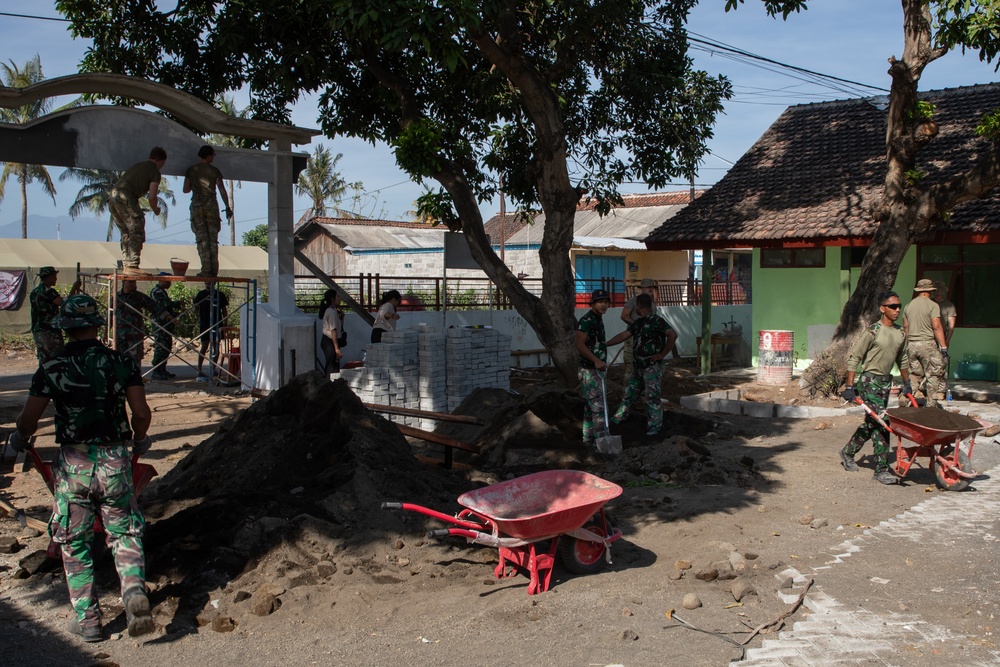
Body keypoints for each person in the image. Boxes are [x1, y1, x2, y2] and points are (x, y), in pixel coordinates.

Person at [9, 293, 156, 642]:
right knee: (123, 532)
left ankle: (88, 619)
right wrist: (138, 439)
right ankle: (134, 590)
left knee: (73, 540)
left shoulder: (52, 367)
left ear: (66, 328)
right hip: (115, 460)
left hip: (74, 463)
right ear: (95, 326)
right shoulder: (122, 362)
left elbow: (29, 419)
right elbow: (141, 412)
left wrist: (20, 437)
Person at [840, 290, 912, 485]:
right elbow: (855, 357)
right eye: (893, 306)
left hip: (886, 383)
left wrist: (907, 384)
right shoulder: (873, 331)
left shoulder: (900, 333)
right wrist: (849, 385)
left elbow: (902, 359)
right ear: (882, 309)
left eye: (899, 306)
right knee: (882, 422)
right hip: (869, 381)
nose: (898, 310)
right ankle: (881, 469)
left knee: (872, 423)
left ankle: (848, 452)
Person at [607, 293, 677, 436]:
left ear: (638, 306)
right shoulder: (638, 323)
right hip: (638, 366)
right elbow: (623, 336)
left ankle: (655, 427)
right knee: (630, 394)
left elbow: (673, 335)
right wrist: (605, 344)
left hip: (651, 366)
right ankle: (619, 417)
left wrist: (662, 354)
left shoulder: (658, 321)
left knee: (652, 396)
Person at [109, 147, 167, 276]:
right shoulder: (154, 172)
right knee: (137, 228)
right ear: (161, 161)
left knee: (126, 231)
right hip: (126, 196)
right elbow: (152, 197)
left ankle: (126, 265)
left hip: (113, 196)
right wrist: (156, 209)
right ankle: (133, 265)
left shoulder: (138, 166)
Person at [183, 145, 231, 278]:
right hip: (211, 204)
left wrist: (195, 186)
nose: (213, 157)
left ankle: (205, 269)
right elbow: (222, 190)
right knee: (212, 238)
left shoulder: (191, 170)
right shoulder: (214, 171)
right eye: (213, 155)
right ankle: (213, 270)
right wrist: (227, 207)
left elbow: (185, 189)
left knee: (202, 238)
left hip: (197, 204)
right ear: (209, 155)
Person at [902, 278, 948, 408]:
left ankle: (905, 399)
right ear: (930, 291)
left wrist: (908, 343)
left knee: (915, 375)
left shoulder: (908, 306)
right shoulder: (933, 305)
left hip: (911, 344)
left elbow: (906, 327)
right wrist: (943, 347)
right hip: (927, 344)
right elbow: (937, 327)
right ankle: (930, 406)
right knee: (933, 374)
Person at [575, 289, 611, 448]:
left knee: (590, 408)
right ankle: (602, 444)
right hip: (589, 370)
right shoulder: (587, 320)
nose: (604, 304)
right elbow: (579, 344)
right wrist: (596, 360)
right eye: (600, 301)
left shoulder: (598, 319)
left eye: (606, 302)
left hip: (597, 370)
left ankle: (587, 441)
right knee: (598, 407)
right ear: (593, 303)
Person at [30, 266, 80, 363]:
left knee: (44, 358)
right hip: (49, 330)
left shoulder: (34, 292)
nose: (56, 279)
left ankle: (44, 377)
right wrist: (74, 288)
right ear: (48, 277)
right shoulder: (49, 292)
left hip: (38, 330)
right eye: (54, 276)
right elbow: (63, 303)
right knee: (57, 358)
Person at [115, 279, 161, 368]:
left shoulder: (139, 297)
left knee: (135, 358)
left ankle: (135, 379)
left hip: (134, 334)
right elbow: (109, 314)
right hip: (120, 334)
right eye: (131, 282)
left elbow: (155, 307)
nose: (133, 284)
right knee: (119, 358)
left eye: (134, 282)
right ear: (124, 282)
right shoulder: (116, 297)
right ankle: (121, 378)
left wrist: (168, 316)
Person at [193, 282, 229, 381]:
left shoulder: (220, 295)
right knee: (204, 345)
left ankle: (212, 369)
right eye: (206, 284)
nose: (207, 285)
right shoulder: (201, 294)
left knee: (216, 345)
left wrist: (225, 323)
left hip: (217, 323)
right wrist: (196, 305)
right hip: (205, 323)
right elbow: (196, 306)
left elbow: (224, 310)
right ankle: (199, 369)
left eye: (209, 284)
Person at [149, 273, 181, 381]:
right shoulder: (156, 292)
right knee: (160, 346)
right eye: (168, 281)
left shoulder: (162, 292)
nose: (170, 283)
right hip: (160, 323)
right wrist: (175, 305)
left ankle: (162, 369)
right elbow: (164, 305)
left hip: (166, 323)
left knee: (167, 345)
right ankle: (156, 370)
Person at [319, 289, 346, 378]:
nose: (339, 299)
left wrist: (341, 318)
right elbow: (333, 331)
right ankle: (328, 386)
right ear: (332, 299)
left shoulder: (333, 311)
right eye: (337, 296)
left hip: (330, 341)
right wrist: (337, 348)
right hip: (330, 341)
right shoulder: (331, 312)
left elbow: (337, 328)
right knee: (332, 367)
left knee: (333, 365)